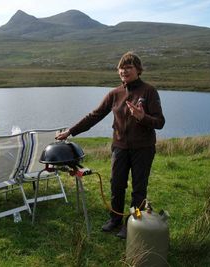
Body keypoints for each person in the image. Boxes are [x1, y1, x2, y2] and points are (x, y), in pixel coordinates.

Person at [56, 51, 165, 239]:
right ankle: (115, 219)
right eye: (121, 68)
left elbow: (160, 122)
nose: (124, 71)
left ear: (138, 70)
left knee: (139, 188)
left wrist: (142, 117)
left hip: (143, 148)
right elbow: (94, 116)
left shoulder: (149, 91)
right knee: (116, 184)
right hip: (120, 147)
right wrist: (71, 131)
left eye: (128, 67)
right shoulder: (115, 94)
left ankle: (132, 222)